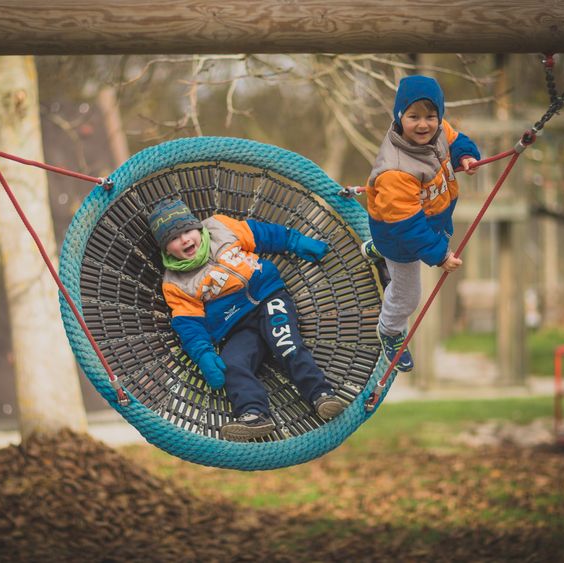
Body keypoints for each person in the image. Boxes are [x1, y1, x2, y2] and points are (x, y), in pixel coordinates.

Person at [148, 198, 348, 442]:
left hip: (268, 299)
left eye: (188, 231)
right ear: (166, 249)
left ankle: (320, 394)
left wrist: (295, 242)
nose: (185, 240)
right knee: (232, 363)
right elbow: (188, 324)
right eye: (174, 239)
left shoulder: (219, 228)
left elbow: (262, 234)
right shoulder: (175, 282)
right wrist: (203, 355)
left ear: (197, 228)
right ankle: (254, 415)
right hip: (236, 327)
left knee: (285, 344)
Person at [362, 75, 481, 372]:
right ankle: (389, 329)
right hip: (399, 234)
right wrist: (439, 255)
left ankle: (377, 250)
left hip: (428, 216)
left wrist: (465, 156)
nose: (424, 124)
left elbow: (456, 139)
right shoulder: (396, 169)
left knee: (409, 242)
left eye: (431, 116)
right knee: (408, 295)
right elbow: (407, 227)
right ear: (399, 116)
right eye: (414, 117)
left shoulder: (439, 133)